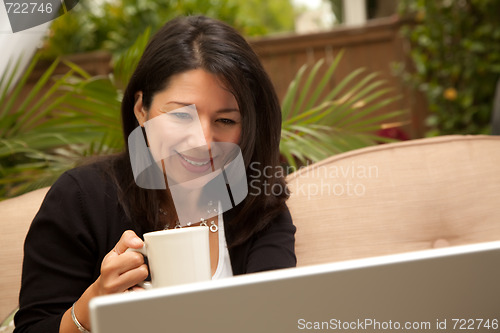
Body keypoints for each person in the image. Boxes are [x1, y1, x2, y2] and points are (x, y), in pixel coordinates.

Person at [14, 15, 296, 333]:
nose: (203, 142)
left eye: (226, 121)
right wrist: (93, 305)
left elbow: (276, 316)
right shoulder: (81, 199)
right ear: (141, 111)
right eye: (180, 115)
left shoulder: (257, 199)